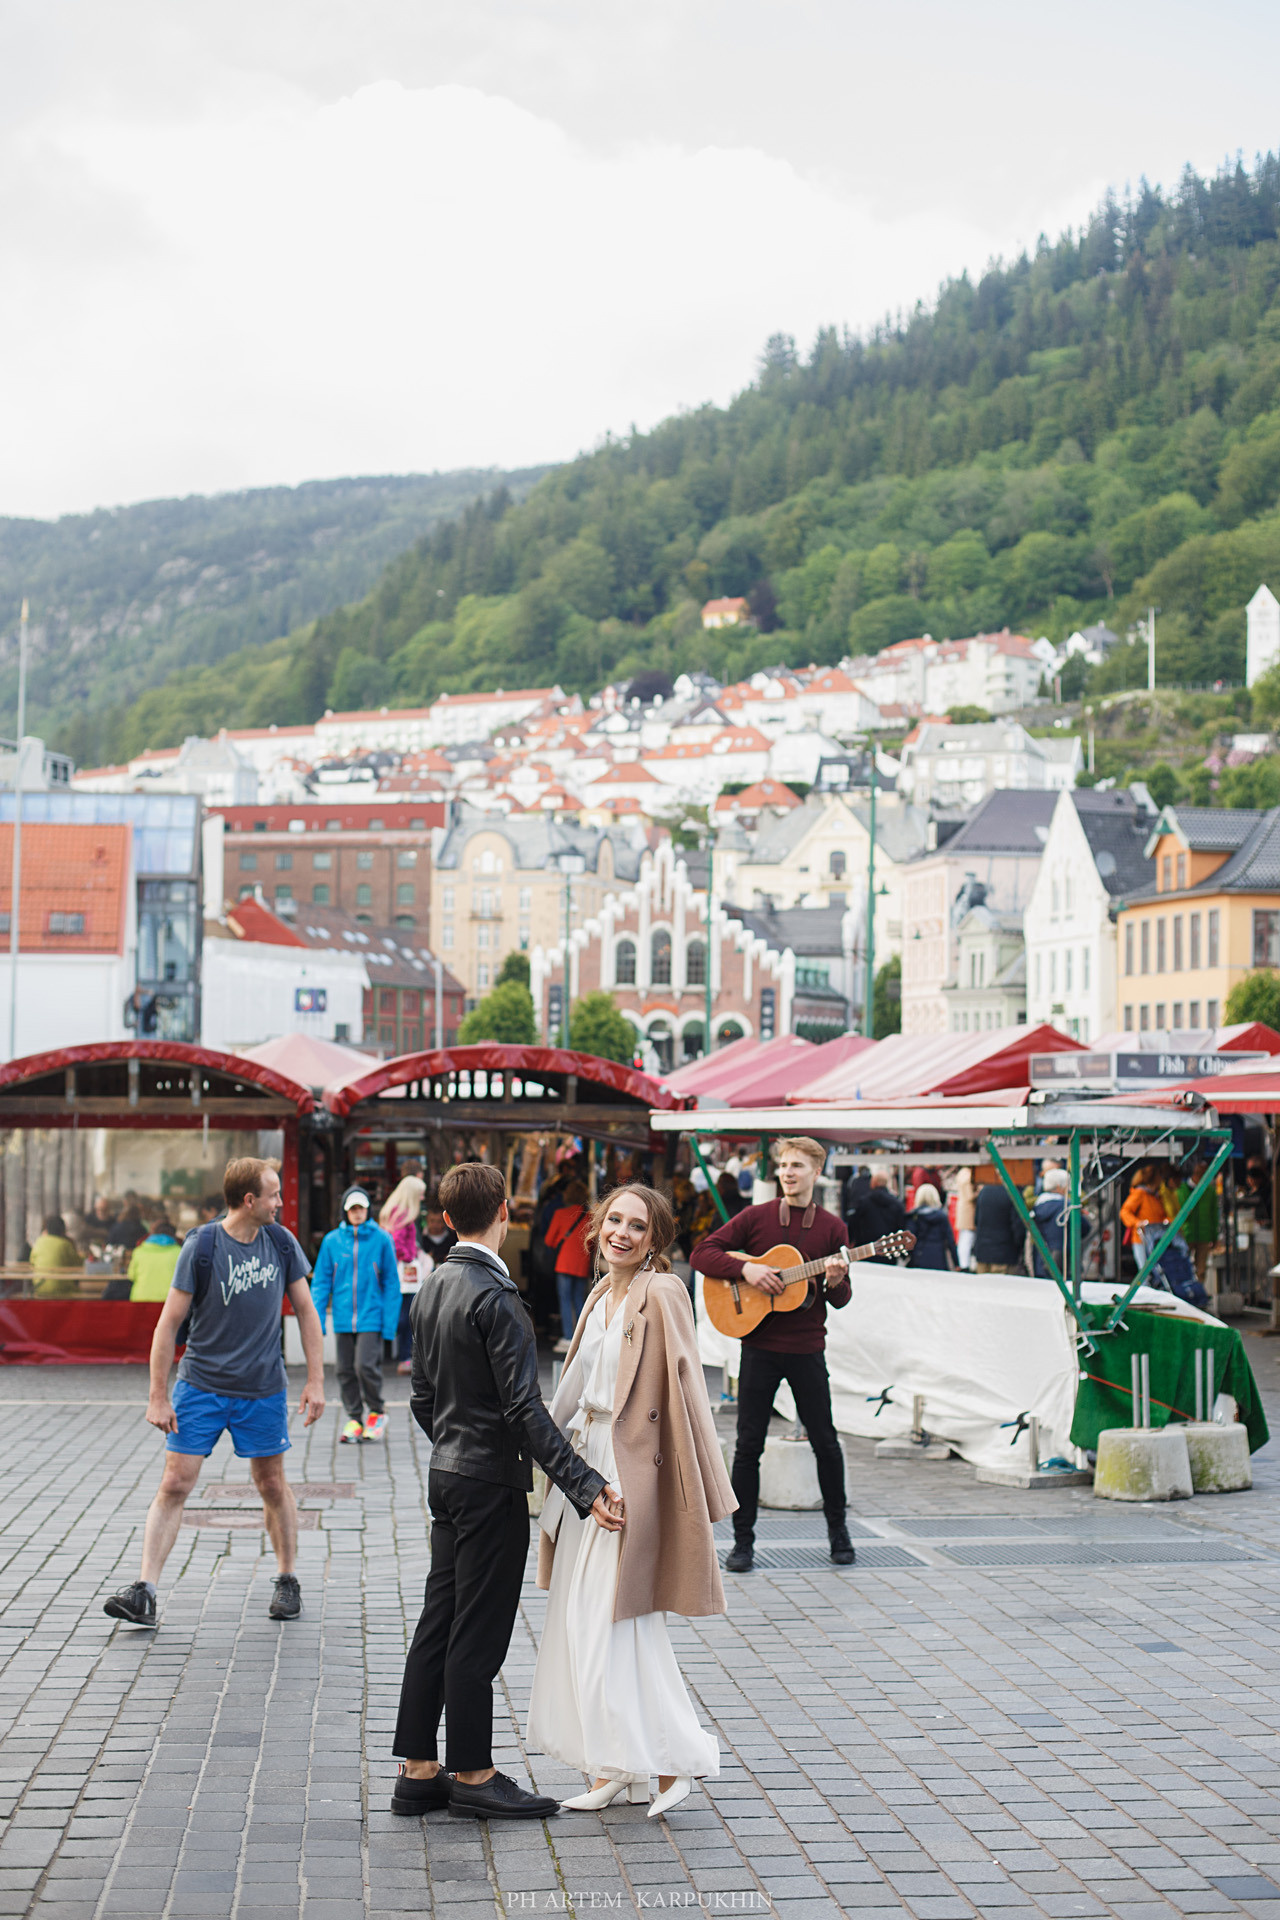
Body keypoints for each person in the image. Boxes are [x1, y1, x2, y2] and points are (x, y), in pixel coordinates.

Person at [390, 1161, 621, 1823]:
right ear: (507, 1216)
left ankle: (418, 1770)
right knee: (478, 1632)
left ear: (444, 1219)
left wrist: (455, 1444)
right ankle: (472, 1771)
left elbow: (424, 1397)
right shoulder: (498, 1297)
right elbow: (525, 1410)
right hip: (489, 1481)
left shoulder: (435, 1284)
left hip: (448, 1474)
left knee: (440, 1619)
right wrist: (586, 1484)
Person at [527, 1183, 735, 1819]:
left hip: (626, 1477)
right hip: (583, 1473)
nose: (621, 1232)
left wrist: (687, 1487)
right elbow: (569, 1392)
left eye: (636, 1226)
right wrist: (528, 1442)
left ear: (655, 1238)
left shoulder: (662, 1291)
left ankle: (678, 1761)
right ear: (596, 1228)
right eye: (613, 1220)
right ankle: (619, 1765)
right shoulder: (598, 1293)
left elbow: (686, 1394)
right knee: (584, 1624)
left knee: (622, 1622)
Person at [101, 1157, 323, 1630]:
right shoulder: (202, 1246)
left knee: (270, 1484)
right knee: (175, 1482)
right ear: (250, 1200)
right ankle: (145, 1591)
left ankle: (287, 1579)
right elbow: (168, 1325)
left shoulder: (280, 1243)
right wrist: (158, 1396)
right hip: (200, 1387)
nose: (280, 1203)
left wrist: (317, 1382)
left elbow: (306, 1312)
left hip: (262, 1389)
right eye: (274, 1195)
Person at [691, 1136, 855, 1575]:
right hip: (759, 1348)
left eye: (797, 1165)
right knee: (748, 1447)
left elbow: (841, 1299)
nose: (788, 1172)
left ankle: (839, 1533)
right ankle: (742, 1543)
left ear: (816, 1172)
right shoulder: (756, 1217)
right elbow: (702, 1253)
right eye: (783, 1164)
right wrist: (746, 1268)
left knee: (826, 1443)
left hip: (806, 1350)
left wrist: (836, 1279)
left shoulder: (833, 1229)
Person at [310, 1186, 401, 1443]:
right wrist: (317, 1320)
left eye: (361, 1208)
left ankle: (376, 1412)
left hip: (371, 1315)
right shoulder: (331, 1241)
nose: (357, 1213)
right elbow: (321, 1283)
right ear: (345, 1211)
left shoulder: (382, 1239)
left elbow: (392, 1283)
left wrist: (389, 1324)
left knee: (365, 1366)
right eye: (353, 1209)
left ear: (368, 1210)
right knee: (344, 1369)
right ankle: (354, 1418)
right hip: (341, 1317)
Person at [381, 1175, 427, 1370]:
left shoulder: (392, 1212)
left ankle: (394, 1354)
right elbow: (398, 1244)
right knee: (408, 1315)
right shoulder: (404, 1215)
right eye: (420, 1194)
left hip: (398, 1272)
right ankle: (404, 1357)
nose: (422, 1198)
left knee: (400, 1312)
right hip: (405, 1273)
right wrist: (410, 1257)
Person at [545, 1179, 592, 1354]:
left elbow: (549, 1240)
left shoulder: (560, 1213)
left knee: (564, 1300)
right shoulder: (590, 1218)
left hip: (563, 1263)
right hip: (581, 1264)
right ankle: (582, 1338)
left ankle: (568, 1337)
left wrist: (560, 1241)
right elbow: (593, 1243)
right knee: (579, 1300)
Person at [845, 1164, 907, 1261]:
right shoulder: (897, 1204)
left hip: (867, 1251)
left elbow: (854, 1224)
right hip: (888, 1252)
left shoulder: (864, 1202)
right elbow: (901, 1227)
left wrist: (852, 1241)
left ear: (874, 1183)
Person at [972, 1177, 1026, 1273]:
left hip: (983, 1252)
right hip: (1004, 1253)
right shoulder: (1014, 1192)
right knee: (1001, 1286)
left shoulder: (985, 1190)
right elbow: (1018, 1228)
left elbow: (976, 1220)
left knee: (982, 1286)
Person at [128, 1218, 182, 1301]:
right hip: (168, 1301)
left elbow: (131, 1275)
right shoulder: (179, 1252)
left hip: (141, 1300)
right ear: (174, 1236)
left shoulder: (139, 1251)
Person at [906, 1185, 959, 1270]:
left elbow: (908, 1241)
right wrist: (956, 1263)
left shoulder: (914, 1216)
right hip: (938, 1259)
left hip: (919, 1258)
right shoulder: (942, 1216)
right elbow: (950, 1241)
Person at [29, 1215, 84, 1297]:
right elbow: (78, 1264)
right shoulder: (65, 1244)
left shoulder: (39, 1242)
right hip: (63, 1290)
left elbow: (32, 1262)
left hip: (40, 1288)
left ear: (46, 1229)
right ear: (63, 1230)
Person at [953, 1169, 977, 1271]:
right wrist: (979, 1191)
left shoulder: (962, 1173)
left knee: (964, 1238)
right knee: (967, 1238)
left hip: (964, 1210)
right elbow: (970, 1196)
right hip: (968, 1211)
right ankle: (964, 1264)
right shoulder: (967, 1176)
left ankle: (963, 1263)